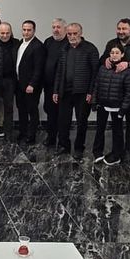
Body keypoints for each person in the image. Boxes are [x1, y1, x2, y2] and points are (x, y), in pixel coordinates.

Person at [101, 19, 130, 157]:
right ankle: (117, 150)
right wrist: (105, 60)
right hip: (115, 92)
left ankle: (128, 151)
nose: (121, 31)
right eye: (119, 28)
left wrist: (129, 64)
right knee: (116, 123)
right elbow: (102, 60)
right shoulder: (111, 43)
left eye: (124, 29)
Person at [52, 23, 99, 157]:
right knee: (63, 121)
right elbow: (59, 71)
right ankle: (64, 146)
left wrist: (91, 92)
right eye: (69, 34)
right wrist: (56, 90)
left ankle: (79, 148)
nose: (72, 36)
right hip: (65, 91)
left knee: (81, 122)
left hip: (83, 93)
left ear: (80, 33)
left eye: (75, 33)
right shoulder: (64, 48)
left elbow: (95, 73)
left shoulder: (90, 49)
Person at [91, 44, 130, 165]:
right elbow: (96, 86)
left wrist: (123, 109)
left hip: (117, 106)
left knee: (117, 131)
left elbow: (129, 93)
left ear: (122, 54)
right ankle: (97, 152)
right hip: (102, 104)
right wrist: (94, 102)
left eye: (117, 53)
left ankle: (116, 155)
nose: (114, 55)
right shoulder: (103, 68)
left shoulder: (127, 71)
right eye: (112, 53)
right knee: (100, 129)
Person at [15, 20, 46, 143]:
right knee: (21, 109)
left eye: (29, 30)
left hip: (31, 86)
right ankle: (23, 132)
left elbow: (39, 68)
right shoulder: (20, 43)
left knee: (32, 110)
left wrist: (32, 84)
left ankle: (31, 135)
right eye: (24, 29)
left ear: (34, 31)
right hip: (19, 83)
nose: (26, 32)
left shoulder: (38, 46)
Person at [42, 18, 68, 146]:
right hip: (49, 85)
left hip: (63, 86)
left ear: (65, 29)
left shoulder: (69, 43)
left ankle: (62, 141)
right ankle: (51, 138)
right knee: (50, 112)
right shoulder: (48, 41)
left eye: (58, 27)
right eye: (54, 27)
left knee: (62, 114)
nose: (55, 30)